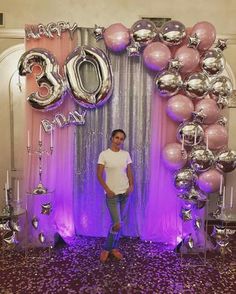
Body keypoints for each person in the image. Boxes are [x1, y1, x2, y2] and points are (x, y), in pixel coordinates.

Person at [97, 129, 134, 263]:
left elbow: (129, 172)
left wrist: (131, 186)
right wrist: (107, 189)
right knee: (117, 224)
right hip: (112, 195)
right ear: (112, 138)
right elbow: (99, 175)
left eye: (121, 139)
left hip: (125, 193)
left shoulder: (125, 154)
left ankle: (114, 247)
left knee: (119, 224)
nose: (119, 140)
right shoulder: (104, 155)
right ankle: (107, 248)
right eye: (117, 138)